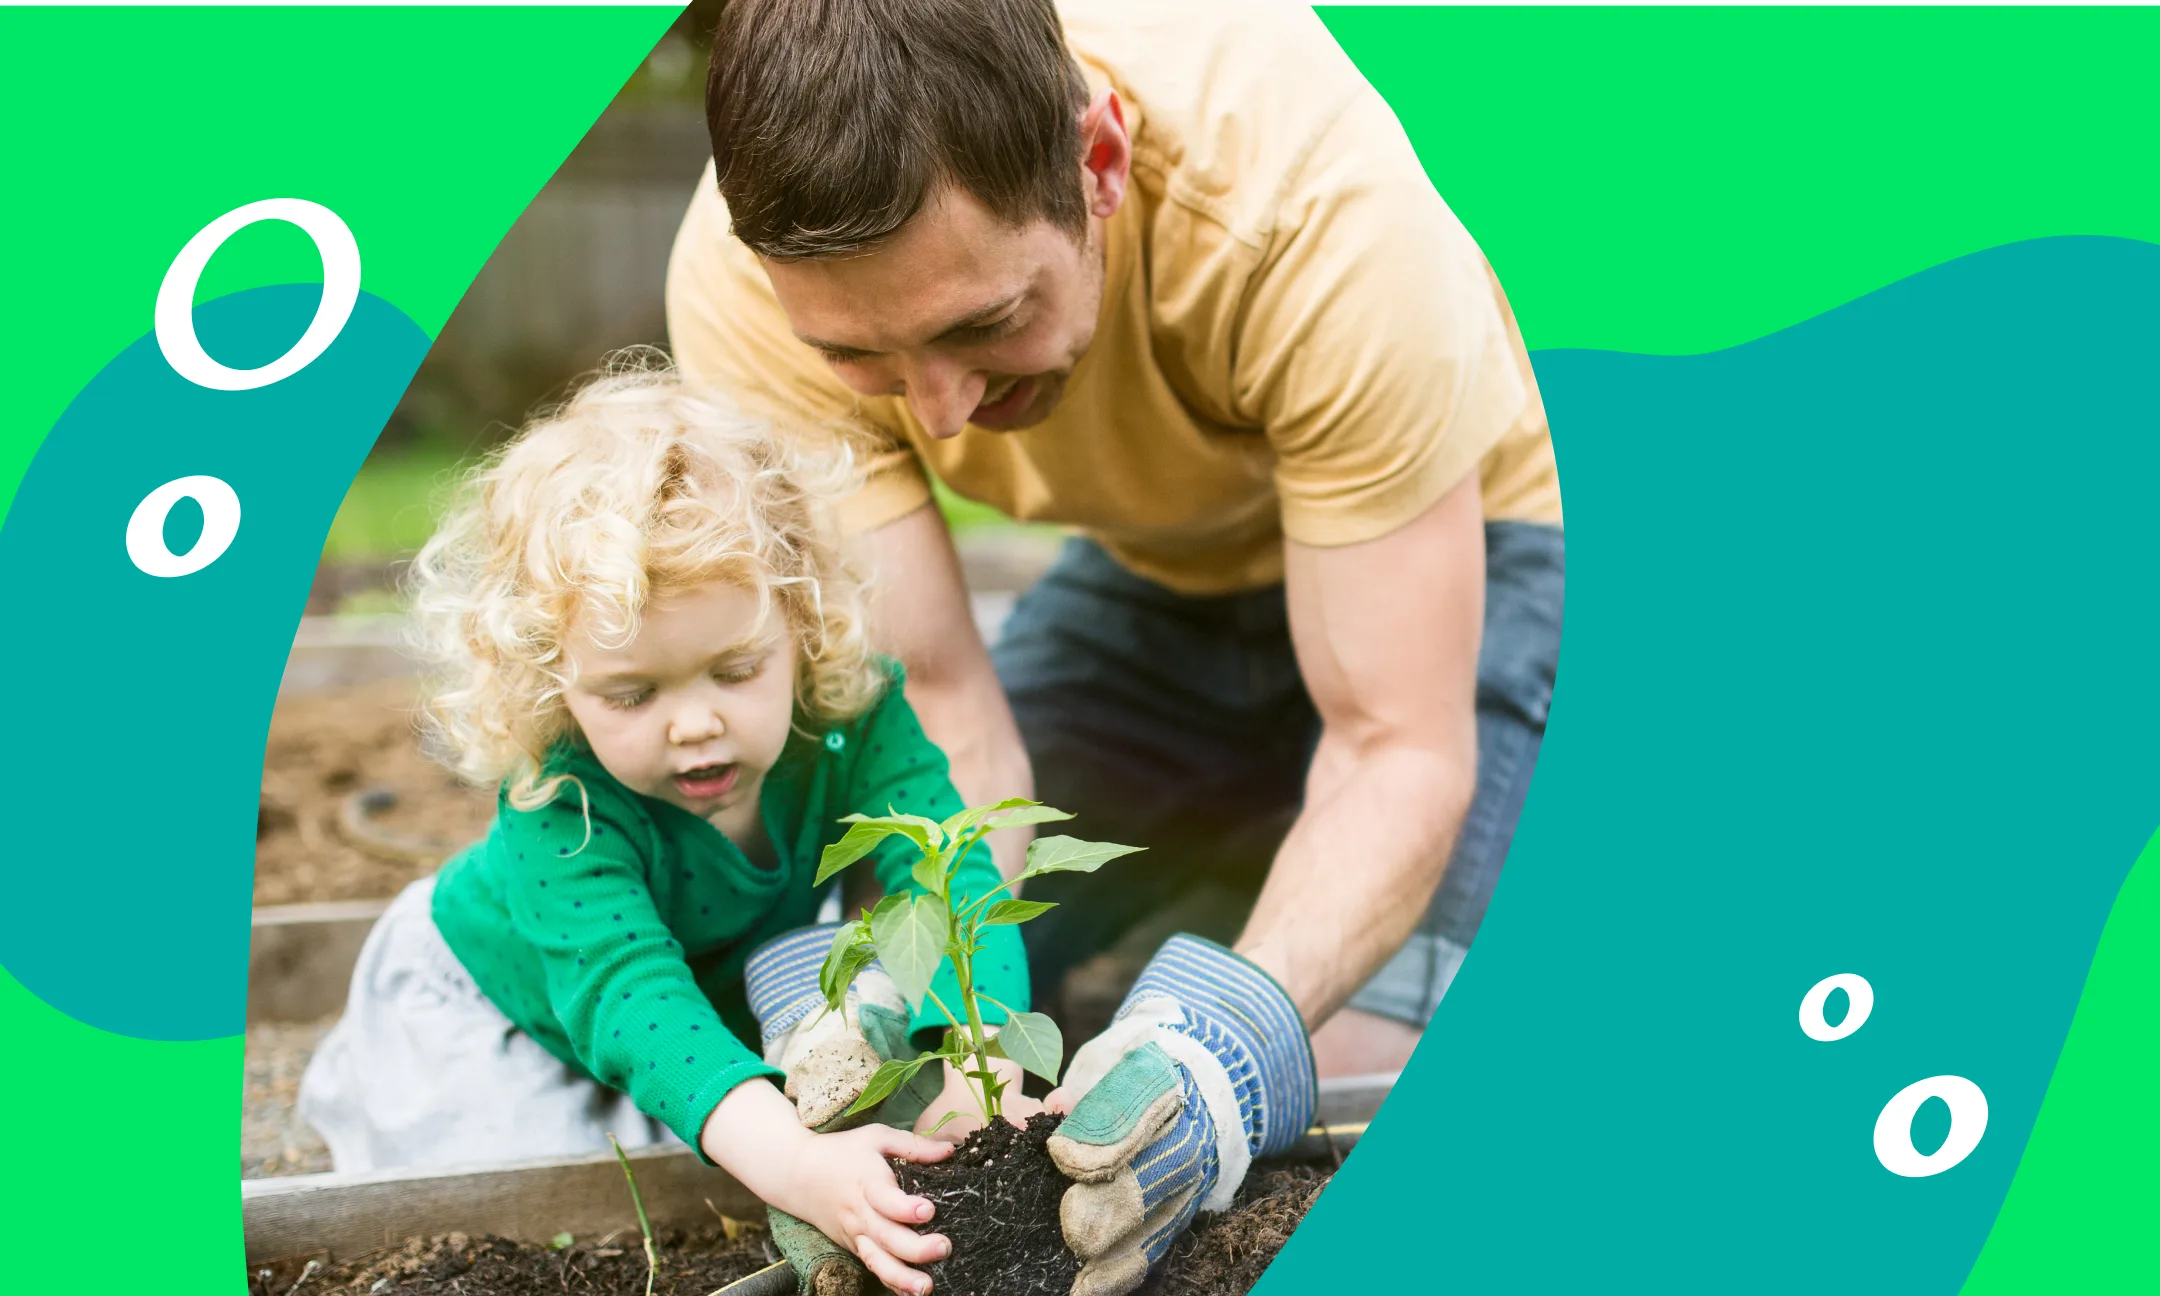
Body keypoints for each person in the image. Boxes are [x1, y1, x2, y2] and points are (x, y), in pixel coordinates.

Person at [667, 0, 1564, 1290]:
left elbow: (1395, 745)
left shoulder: (1316, 209)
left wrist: (1222, 1046)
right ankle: (1241, 859)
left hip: (1470, 540)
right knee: (923, 976)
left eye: (983, 323)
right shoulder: (747, 287)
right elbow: (947, 719)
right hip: (1155, 577)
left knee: (1365, 1082)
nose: (943, 410)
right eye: (862, 356)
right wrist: (909, 1034)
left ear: (1100, 164)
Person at [296, 364, 1040, 1295]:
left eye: (735, 670)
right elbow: (635, 1003)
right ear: (549, 678)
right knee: (546, 1204)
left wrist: (982, 1058)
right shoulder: (558, 807)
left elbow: (951, 871)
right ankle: (363, 1075)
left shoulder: (849, 715)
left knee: (768, 1110)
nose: (693, 725)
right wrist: (806, 1173)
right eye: (633, 694)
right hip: (495, 1006)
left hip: (697, 982)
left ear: (800, 624)